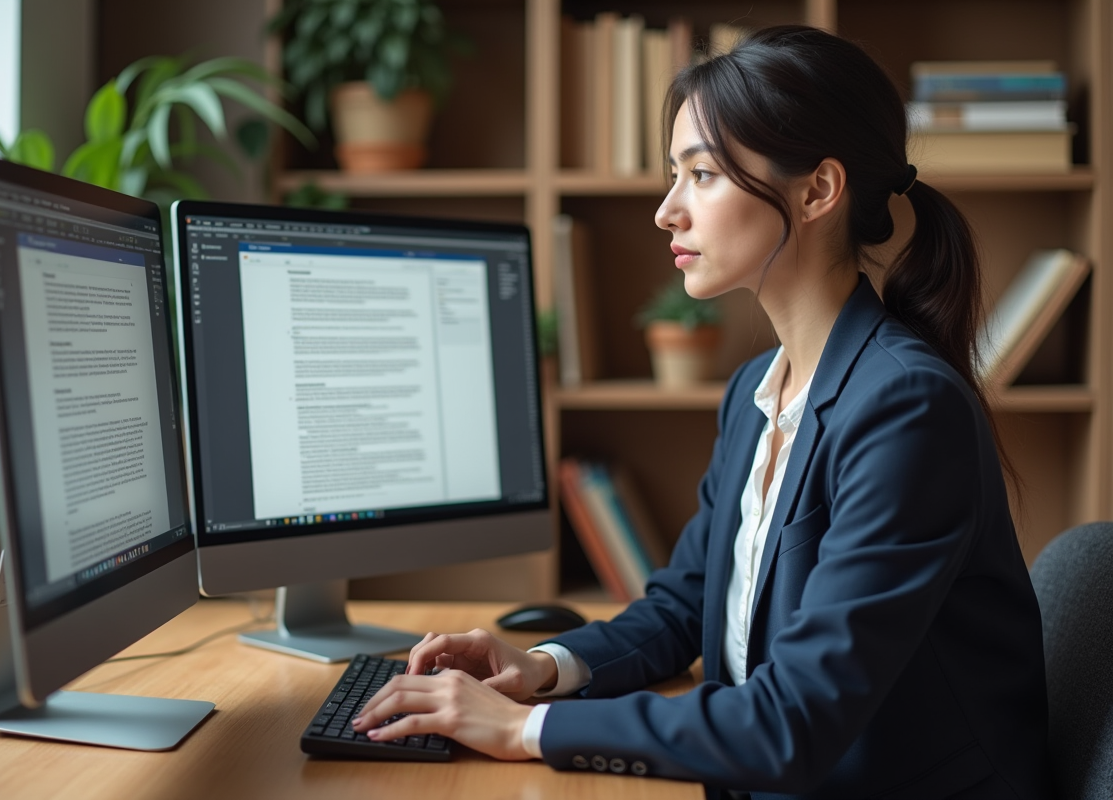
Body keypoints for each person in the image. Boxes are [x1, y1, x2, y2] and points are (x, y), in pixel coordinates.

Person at [349, 25, 1051, 799]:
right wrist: (541, 668)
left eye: (702, 175)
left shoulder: (905, 407)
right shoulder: (759, 390)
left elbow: (794, 722)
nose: (666, 211)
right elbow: (686, 604)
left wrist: (522, 731)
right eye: (673, 176)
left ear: (818, 190)